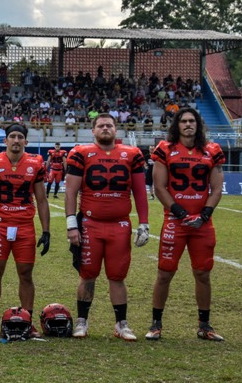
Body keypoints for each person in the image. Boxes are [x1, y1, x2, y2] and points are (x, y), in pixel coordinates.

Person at [64, 113, 150, 341]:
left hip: (120, 225)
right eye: (100, 125)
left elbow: (140, 191)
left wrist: (144, 223)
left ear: (116, 129)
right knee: (87, 274)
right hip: (90, 224)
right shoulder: (81, 153)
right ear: (92, 130)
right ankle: (82, 321)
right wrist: (71, 224)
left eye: (109, 125)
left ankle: (121, 324)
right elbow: (71, 191)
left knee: (117, 276)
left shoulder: (132, 154)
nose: (105, 128)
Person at [146, 107, 226, 342]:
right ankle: (156, 324)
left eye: (192, 121)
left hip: (202, 223)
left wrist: (204, 214)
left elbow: (217, 188)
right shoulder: (165, 149)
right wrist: (181, 213)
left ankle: (204, 325)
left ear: (198, 125)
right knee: (164, 273)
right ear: (177, 125)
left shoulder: (212, 150)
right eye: (184, 121)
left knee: (203, 274)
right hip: (175, 221)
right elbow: (159, 187)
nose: (188, 125)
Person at [0, 123, 50, 338]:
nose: (16, 140)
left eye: (20, 137)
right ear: (5, 140)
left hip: (25, 225)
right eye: (12, 136)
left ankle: (28, 320)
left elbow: (42, 200)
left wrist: (47, 231)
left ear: (26, 141)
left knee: (25, 274)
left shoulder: (35, 163)